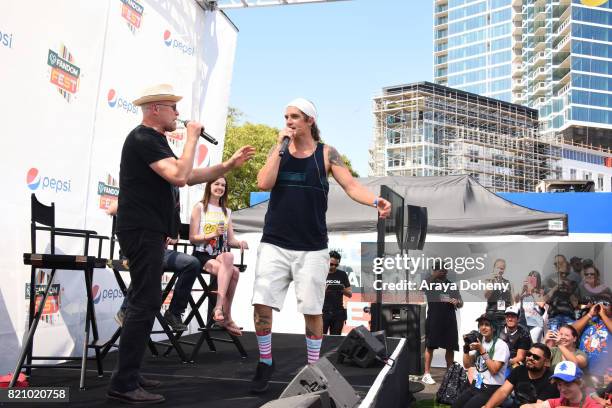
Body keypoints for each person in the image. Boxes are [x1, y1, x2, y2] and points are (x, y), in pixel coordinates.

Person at [107, 84, 254, 404]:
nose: (178, 114)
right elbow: (178, 175)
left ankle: (129, 373)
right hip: (141, 231)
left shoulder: (154, 141)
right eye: (173, 108)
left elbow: (187, 175)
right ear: (156, 109)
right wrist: (191, 137)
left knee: (144, 303)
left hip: (151, 232)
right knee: (143, 305)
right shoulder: (143, 138)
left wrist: (227, 166)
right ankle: (124, 382)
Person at [249, 98, 391, 394]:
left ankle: (312, 367)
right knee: (262, 305)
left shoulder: (327, 154)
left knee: (313, 311)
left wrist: (375, 201)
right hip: (274, 242)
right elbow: (263, 182)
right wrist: (278, 148)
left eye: (294, 117)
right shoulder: (279, 151)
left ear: (309, 121)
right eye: (285, 116)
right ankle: (265, 361)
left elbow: (352, 186)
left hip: (312, 247)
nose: (288, 121)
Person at [109, 188, 201, 332]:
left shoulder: (174, 191)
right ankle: (126, 309)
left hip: (160, 250)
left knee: (192, 263)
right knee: (151, 259)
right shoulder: (144, 185)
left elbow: (175, 229)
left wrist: (174, 236)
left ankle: (174, 313)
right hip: (136, 249)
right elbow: (112, 209)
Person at [189, 177, 248, 336]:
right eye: (217, 184)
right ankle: (226, 316)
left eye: (223, 185)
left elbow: (231, 239)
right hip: (202, 255)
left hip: (220, 255)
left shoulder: (226, 211)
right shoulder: (200, 207)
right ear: (209, 186)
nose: (220, 187)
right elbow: (192, 238)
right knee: (234, 272)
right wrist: (212, 234)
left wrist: (240, 243)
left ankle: (218, 308)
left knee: (228, 256)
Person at [452, 314, 510, 408]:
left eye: (487, 324)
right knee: (455, 405)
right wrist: (466, 350)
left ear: (494, 328)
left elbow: (494, 370)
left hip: (491, 388)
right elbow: (467, 365)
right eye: (481, 324)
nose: (483, 327)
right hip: (477, 384)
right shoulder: (480, 341)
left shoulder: (501, 345)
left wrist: (482, 350)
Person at [421, 260, 463, 385]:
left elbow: (461, 302)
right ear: (434, 270)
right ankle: (426, 374)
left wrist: (457, 302)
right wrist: (434, 275)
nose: (443, 270)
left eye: (444, 268)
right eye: (439, 269)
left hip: (449, 320)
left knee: (450, 347)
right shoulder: (430, 283)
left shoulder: (452, 285)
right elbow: (421, 288)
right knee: (430, 346)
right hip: (434, 319)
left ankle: (449, 374)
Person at [483, 343, 559, 408]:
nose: (530, 358)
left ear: (546, 362)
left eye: (536, 357)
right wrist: (487, 407)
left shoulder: (551, 381)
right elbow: (503, 391)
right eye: (528, 354)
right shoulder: (519, 370)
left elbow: (538, 406)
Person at [521, 361, 604, 408]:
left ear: (580, 383)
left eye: (568, 384)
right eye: (559, 384)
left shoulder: (592, 404)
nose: (563, 389)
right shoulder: (559, 402)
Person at [574, 302, 611, 380]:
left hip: (604, 374)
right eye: (598, 302)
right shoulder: (589, 319)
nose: (601, 306)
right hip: (582, 371)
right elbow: (572, 330)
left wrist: (603, 314)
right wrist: (589, 314)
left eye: (605, 303)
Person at [322, 250, 352, 335]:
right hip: (322, 312)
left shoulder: (342, 274)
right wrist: (323, 290)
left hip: (338, 313)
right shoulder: (320, 273)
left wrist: (342, 289)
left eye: (336, 265)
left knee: (335, 340)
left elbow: (350, 294)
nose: (334, 266)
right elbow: (312, 294)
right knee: (320, 339)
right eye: (331, 264)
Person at [499, 306, 532, 374]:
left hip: (512, 362)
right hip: (497, 359)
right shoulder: (498, 329)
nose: (510, 319)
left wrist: (503, 364)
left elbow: (520, 357)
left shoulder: (524, 334)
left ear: (518, 319)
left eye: (513, 316)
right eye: (508, 316)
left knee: (516, 368)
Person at [485, 259, 515, 331]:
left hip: (505, 315)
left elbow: (512, 301)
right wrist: (493, 281)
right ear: (494, 268)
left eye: (502, 268)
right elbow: (486, 295)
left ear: (504, 270)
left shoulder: (509, 283)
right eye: (498, 268)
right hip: (492, 313)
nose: (499, 270)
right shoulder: (488, 280)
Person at [518, 271, 547, 343]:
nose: (532, 279)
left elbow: (542, 304)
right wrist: (523, 289)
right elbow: (515, 300)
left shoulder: (541, 291)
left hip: (535, 323)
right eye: (530, 277)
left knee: (534, 345)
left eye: (534, 277)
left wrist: (532, 291)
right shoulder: (524, 291)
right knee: (523, 345)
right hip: (523, 323)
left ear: (538, 280)